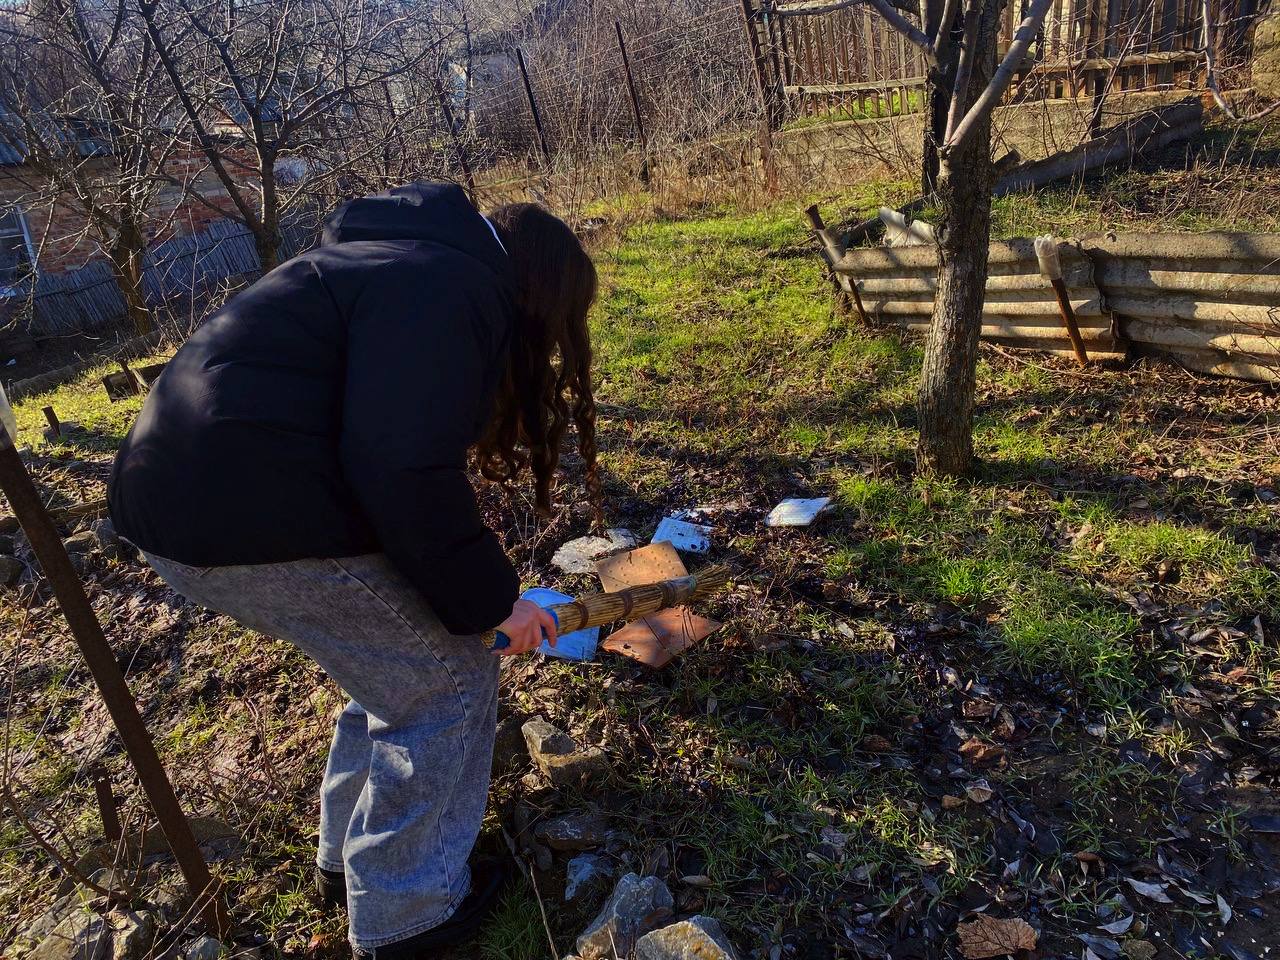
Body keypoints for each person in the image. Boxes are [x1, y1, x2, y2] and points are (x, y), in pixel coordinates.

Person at [108, 182, 601, 957]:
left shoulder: (390, 257)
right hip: (240, 511)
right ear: (541, 289)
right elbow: (400, 467)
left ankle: (346, 866)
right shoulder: (450, 283)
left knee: (391, 668)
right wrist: (493, 603)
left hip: (178, 499)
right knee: (446, 682)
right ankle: (409, 917)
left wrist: (472, 592)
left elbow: (382, 447)